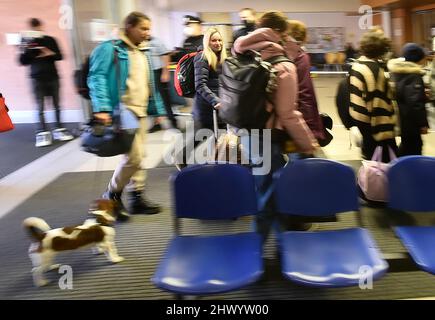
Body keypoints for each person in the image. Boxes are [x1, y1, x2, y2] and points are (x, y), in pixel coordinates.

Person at [233, 11, 318, 241]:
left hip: (246, 131)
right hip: (267, 137)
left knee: (266, 190)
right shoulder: (283, 65)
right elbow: (287, 113)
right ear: (282, 32)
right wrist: (307, 143)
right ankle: (258, 248)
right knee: (268, 197)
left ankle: (282, 244)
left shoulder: (244, 52)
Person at [88, 12, 161, 221]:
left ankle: (137, 197)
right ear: (129, 26)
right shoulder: (110, 48)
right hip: (124, 111)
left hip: (141, 110)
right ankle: (111, 195)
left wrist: (156, 109)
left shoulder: (143, 50)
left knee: (139, 157)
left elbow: (148, 82)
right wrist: (101, 108)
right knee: (134, 157)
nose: (148, 33)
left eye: (149, 28)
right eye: (143, 28)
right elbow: (97, 77)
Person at [175, 27, 227, 168]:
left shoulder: (223, 57)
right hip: (205, 106)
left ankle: (221, 165)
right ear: (207, 42)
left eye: (220, 40)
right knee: (201, 135)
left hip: (219, 105)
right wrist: (215, 100)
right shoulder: (202, 57)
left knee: (223, 135)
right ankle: (181, 158)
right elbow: (200, 85)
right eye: (214, 40)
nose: (217, 43)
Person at [18, 18, 73, 147]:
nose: (35, 30)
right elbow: (22, 61)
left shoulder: (50, 40)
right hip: (36, 78)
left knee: (57, 105)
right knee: (40, 107)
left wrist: (49, 53)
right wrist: (25, 50)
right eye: (33, 28)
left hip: (52, 76)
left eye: (37, 28)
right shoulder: (26, 42)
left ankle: (59, 129)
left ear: (41, 27)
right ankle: (42, 132)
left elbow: (60, 56)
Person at [349, 31, 398, 162]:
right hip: (376, 127)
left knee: (370, 163)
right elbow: (379, 105)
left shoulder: (356, 66)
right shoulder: (375, 70)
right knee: (383, 166)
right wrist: (386, 136)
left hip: (361, 121)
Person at [287, 20, 326, 143]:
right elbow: (305, 93)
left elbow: (303, 92)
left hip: (286, 121)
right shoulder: (300, 57)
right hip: (295, 120)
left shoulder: (296, 57)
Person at [388, 43, 429, 156]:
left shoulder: (399, 73)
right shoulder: (414, 76)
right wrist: (423, 124)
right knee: (415, 147)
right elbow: (415, 103)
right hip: (412, 123)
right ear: (418, 58)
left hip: (402, 119)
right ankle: (408, 170)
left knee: (407, 145)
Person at [144, 19, 178, 132]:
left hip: (158, 72)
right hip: (148, 74)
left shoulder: (157, 41)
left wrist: (165, 72)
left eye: (147, 29)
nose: (146, 32)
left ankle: (173, 122)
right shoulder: (142, 44)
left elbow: (165, 56)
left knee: (165, 99)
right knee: (153, 100)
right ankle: (157, 123)